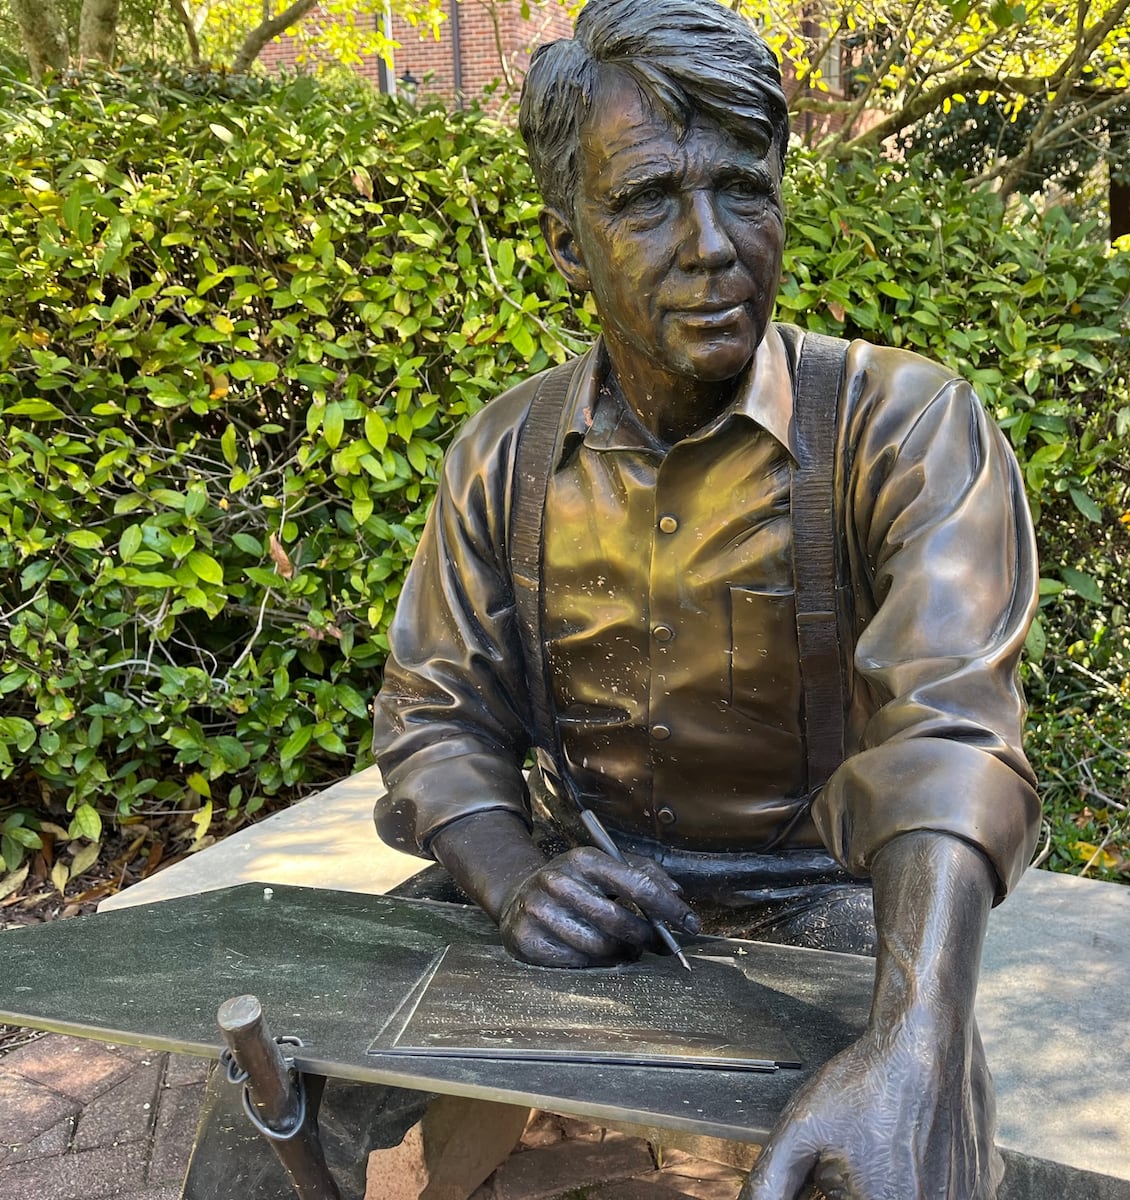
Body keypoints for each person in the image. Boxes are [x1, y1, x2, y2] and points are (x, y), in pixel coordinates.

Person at [372, 1, 1041, 1196]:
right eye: (644, 203)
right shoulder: (501, 457)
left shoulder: (905, 427)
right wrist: (514, 874)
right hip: (589, 879)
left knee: (908, 1139)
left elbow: (949, 729)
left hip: (826, 899)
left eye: (744, 187)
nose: (712, 244)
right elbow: (434, 714)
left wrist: (916, 1036)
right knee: (258, 1081)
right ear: (569, 243)